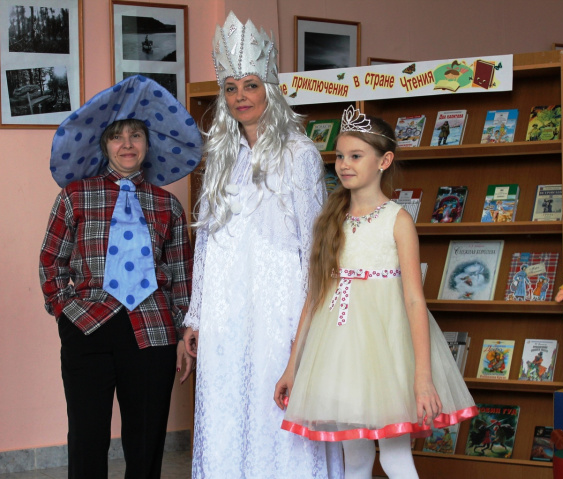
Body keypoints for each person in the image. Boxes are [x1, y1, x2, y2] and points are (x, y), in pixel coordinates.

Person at [274, 106, 478, 479]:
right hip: (338, 352)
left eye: (355, 156)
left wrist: (423, 377)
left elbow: (414, 300)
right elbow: (314, 300)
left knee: (395, 459)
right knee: (355, 461)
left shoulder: (397, 220)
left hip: (388, 354)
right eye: (339, 156)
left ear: (384, 161)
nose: (344, 164)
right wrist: (292, 367)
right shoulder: (330, 220)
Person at [182, 11, 343, 479]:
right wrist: (196, 315)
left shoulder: (301, 154)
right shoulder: (220, 158)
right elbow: (206, 242)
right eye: (231, 88)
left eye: (250, 85)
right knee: (227, 407)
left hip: (280, 308)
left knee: (277, 411)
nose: (240, 97)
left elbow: (315, 247)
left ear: (269, 89)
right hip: (225, 309)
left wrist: (308, 325)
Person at [39, 75, 202, 479]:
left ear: (148, 144)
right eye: (117, 136)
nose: (127, 144)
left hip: (151, 330)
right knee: (87, 437)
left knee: (146, 440)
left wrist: (183, 331)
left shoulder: (168, 205)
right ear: (104, 144)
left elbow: (182, 275)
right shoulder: (75, 195)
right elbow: (51, 260)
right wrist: (64, 311)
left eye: (136, 135)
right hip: (88, 325)